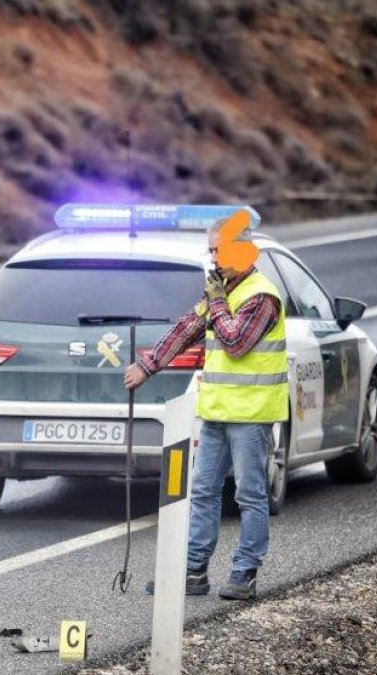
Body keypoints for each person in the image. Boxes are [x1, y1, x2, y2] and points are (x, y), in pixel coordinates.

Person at [125, 219, 287, 600]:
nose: (213, 259)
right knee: (203, 491)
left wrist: (215, 302)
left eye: (220, 251)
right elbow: (187, 328)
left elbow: (235, 343)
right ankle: (194, 571)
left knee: (248, 494)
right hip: (216, 411)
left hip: (251, 414)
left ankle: (245, 570)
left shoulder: (261, 296)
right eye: (211, 251)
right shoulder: (221, 291)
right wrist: (148, 366)